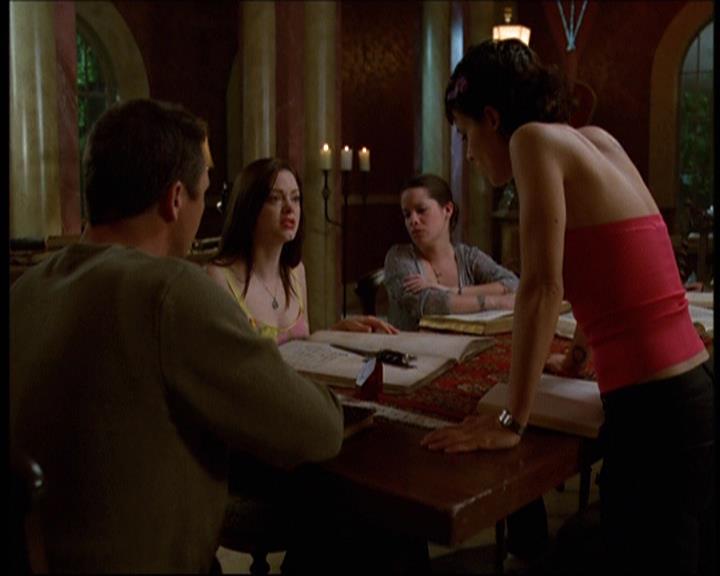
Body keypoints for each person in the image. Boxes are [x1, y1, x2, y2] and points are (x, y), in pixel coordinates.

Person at [9, 99, 344, 574]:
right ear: (174, 199)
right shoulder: (170, 290)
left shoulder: (24, 291)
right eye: (203, 193)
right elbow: (318, 430)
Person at [421, 39, 714, 575]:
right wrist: (579, 355)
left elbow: (541, 286)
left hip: (655, 415)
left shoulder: (531, 141)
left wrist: (511, 418)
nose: (468, 153)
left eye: (464, 134)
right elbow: (619, 263)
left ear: (492, 119)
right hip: (689, 394)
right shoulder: (597, 140)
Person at [205, 156, 397, 340]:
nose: (289, 208)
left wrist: (337, 332)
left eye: (295, 198)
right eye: (275, 198)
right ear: (249, 207)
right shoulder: (219, 278)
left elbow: (300, 348)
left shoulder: (296, 272)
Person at [384, 173, 518, 330]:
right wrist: (496, 301)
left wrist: (451, 290)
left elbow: (513, 284)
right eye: (407, 214)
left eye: (421, 210)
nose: (413, 220)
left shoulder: (468, 257)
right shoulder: (398, 257)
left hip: (463, 342)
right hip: (413, 344)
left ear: (447, 210)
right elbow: (428, 304)